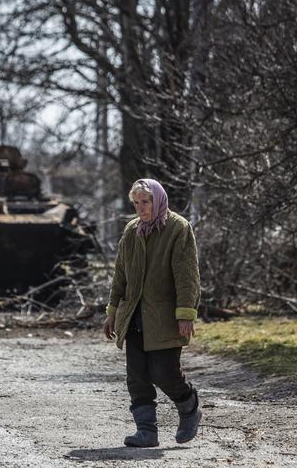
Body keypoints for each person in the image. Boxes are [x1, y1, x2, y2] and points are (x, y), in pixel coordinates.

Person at [102, 178, 201, 447]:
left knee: (164, 372)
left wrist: (185, 314)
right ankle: (146, 432)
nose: (141, 208)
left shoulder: (178, 228)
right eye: (136, 203)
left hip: (164, 317)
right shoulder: (132, 230)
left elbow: (186, 275)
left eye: (145, 202)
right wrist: (112, 311)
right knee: (136, 377)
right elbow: (120, 274)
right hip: (133, 315)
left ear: (157, 199)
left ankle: (189, 406)